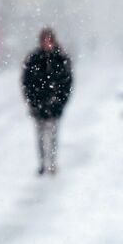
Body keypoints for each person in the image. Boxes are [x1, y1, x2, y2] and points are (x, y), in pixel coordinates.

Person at [21, 28, 74, 176]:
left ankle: (52, 162)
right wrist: (32, 101)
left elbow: (67, 83)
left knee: (53, 135)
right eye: (44, 41)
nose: (47, 44)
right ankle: (43, 162)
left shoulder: (61, 59)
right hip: (39, 105)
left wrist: (60, 100)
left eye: (49, 41)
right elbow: (27, 82)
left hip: (55, 105)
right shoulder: (34, 59)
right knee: (41, 135)